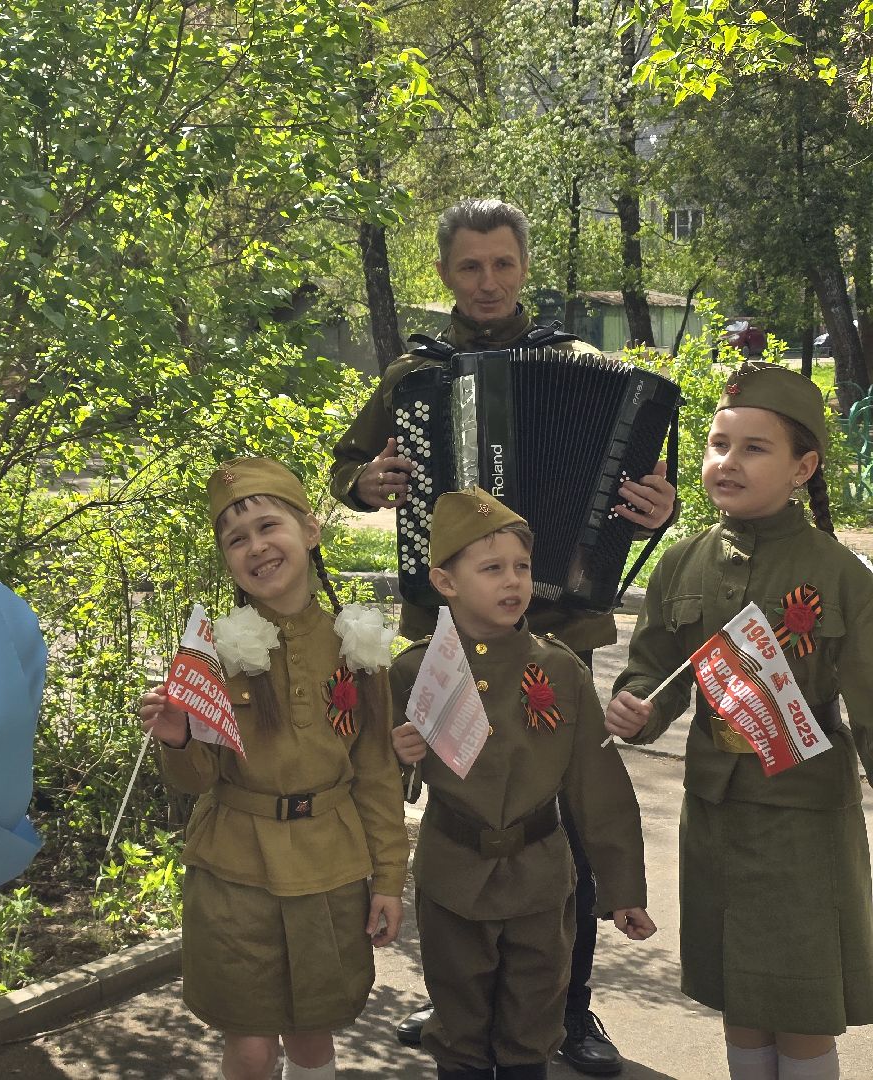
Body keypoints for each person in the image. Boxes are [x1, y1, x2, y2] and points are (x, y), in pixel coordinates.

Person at [330, 196, 677, 1075]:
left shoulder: (582, 364)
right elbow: (344, 467)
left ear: (524, 268)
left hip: (556, 632)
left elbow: (630, 500)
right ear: (445, 273)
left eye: (503, 265)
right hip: (445, 633)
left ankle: (571, 1007)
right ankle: (458, 998)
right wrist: (365, 480)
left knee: (559, 816)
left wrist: (657, 509)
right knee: (455, 810)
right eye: (469, 266)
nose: (487, 282)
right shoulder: (415, 376)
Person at [606, 362, 873, 1080]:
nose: (728, 461)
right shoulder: (682, 563)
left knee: (802, 1000)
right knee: (742, 995)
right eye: (719, 444)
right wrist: (636, 707)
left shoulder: (841, 573)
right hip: (716, 811)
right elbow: (654, 666)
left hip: (804, 815)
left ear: (802, 467)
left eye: (755, 448)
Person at [138, 456, 408, 1080]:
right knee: (252, 1047)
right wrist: (177, 738)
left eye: (268, 526)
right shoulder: (212, 651)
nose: (256, 548)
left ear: (310, 531)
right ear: (226, 558)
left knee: (313, 1040)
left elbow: (375, 774)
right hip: (238, 874)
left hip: (330, 869)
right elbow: (197, 778)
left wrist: (389, 878)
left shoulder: (357, 643)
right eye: (237, 539)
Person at [390, 487, 654, 1080]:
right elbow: (383, 788)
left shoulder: (558, 669)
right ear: (445, 581)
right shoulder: (417, 672)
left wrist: (622, 889)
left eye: (522, 567)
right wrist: (399, 756)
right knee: (458, 1031)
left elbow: (598, 787)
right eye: (492, 569)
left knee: (530, 1029)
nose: (513, 582)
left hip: (539, 878)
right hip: (453, 875)